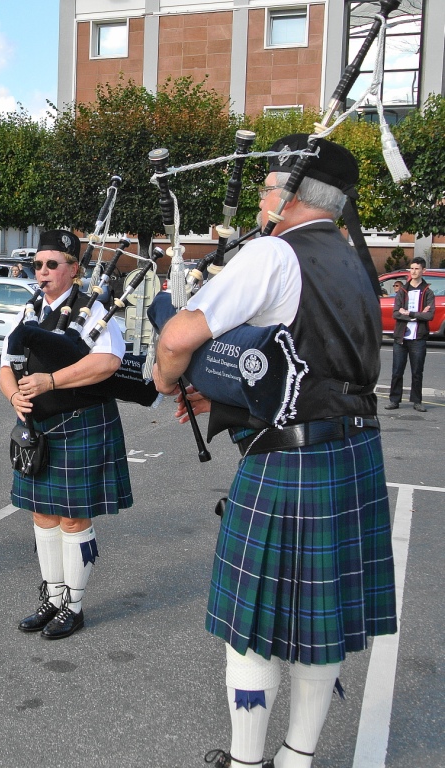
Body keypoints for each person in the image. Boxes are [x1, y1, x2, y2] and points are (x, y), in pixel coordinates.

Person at [151, 135, 397, 768]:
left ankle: (245, 762)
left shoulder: (273, 254)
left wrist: (165, 375)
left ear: (290, 195)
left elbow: (179, 334)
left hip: (289, 466)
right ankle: (298, 759)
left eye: (267, 186)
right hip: (353, 455)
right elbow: (308, 369)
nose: (262, 197)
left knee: (251, 633)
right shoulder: (355, 264)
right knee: (321, 626)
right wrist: (225, 398)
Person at [0, 229, 132, 641]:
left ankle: (73, 606)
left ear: (74, 269)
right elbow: (6, 364)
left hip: (80, 422)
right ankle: (52, 597)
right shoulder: (29, 310)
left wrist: (50, 381)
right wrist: (13, 397)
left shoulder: (93, 310)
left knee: (74, 518)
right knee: (42, 514)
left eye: (52, 264)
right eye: (37, 265)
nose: (42, 272)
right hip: (37, 427)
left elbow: (108, 362)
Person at [387, 257, 435, 412]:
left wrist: (410, 313)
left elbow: (430, 315)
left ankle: (417, 401)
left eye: (416, 268)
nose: (413, 271)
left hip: (418, 337)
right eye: (411, 268)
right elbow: (396, 313)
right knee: (397, 371)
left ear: (423, 271)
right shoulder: (402, 291)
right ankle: (394, 400)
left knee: (417, 371)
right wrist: (418, 314)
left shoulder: (428, 292)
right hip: (401, 337)